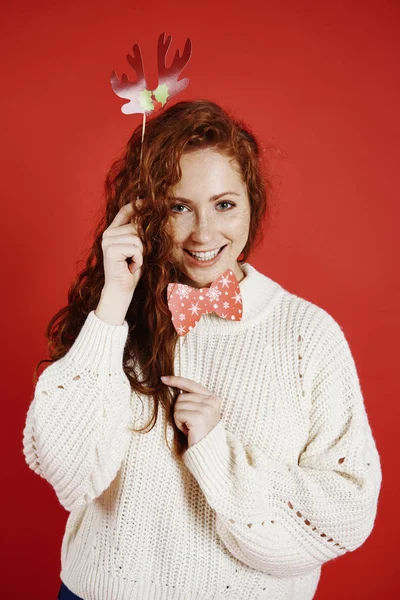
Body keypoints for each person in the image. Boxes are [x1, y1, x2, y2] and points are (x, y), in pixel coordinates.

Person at [22, 99, 382, 600]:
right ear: (145, 211)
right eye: (178, 206)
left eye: (224, 204)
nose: (204, 234)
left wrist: (215, 452)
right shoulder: (117, 315)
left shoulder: (307, 335)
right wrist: (113, 302)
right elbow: (69, 473)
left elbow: (347, 508)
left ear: (252, 202)